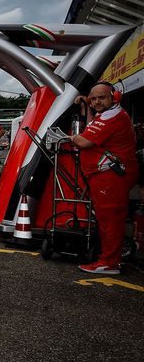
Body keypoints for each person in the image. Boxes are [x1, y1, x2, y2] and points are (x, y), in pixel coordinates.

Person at [69, 82, 139, 274]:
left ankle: (109, 263)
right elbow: (93, 125)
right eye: (94, 98)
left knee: (110, 220)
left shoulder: (112, 116)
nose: (97, 102)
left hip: (111, 176)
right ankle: (109, 259)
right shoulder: (109, 113)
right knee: (106, 219)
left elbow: (84, 140)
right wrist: (86, 103)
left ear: (114, 97)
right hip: (107, 175)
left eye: (102, 97)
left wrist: (73, 137)